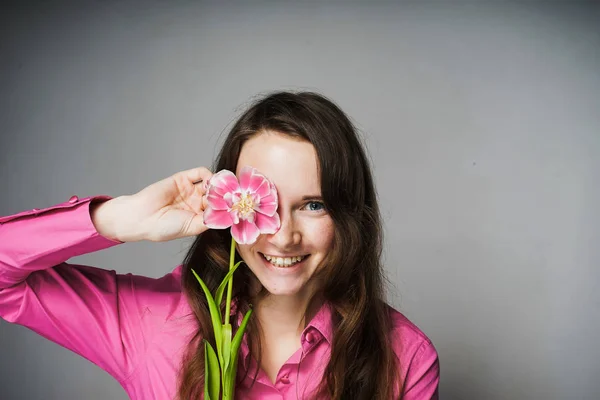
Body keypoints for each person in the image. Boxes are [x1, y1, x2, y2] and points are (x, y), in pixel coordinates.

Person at [0, 91, 439, 399]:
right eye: (262, 200)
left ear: (349, 214)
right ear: (226, 204)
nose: (283, 234)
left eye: (313, 204)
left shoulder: (404, 356)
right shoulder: (151, 321)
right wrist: (117, 218)